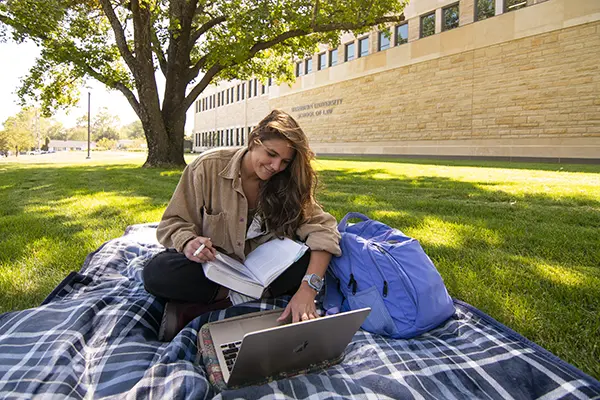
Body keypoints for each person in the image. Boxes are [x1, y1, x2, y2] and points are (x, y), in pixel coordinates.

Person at [143, 109, 341, 341]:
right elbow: (173, 223)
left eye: (285, 161)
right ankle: (240, 298)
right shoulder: (207, 167)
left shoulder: (288, 182)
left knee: (310, 260)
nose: (276, 166)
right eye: (271, 154)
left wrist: (308, 290)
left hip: (266, 271)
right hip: (214, 267)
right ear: (253, 140)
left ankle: (206, 307)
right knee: (157, 272)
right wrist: (189, 242)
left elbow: (324, 229)